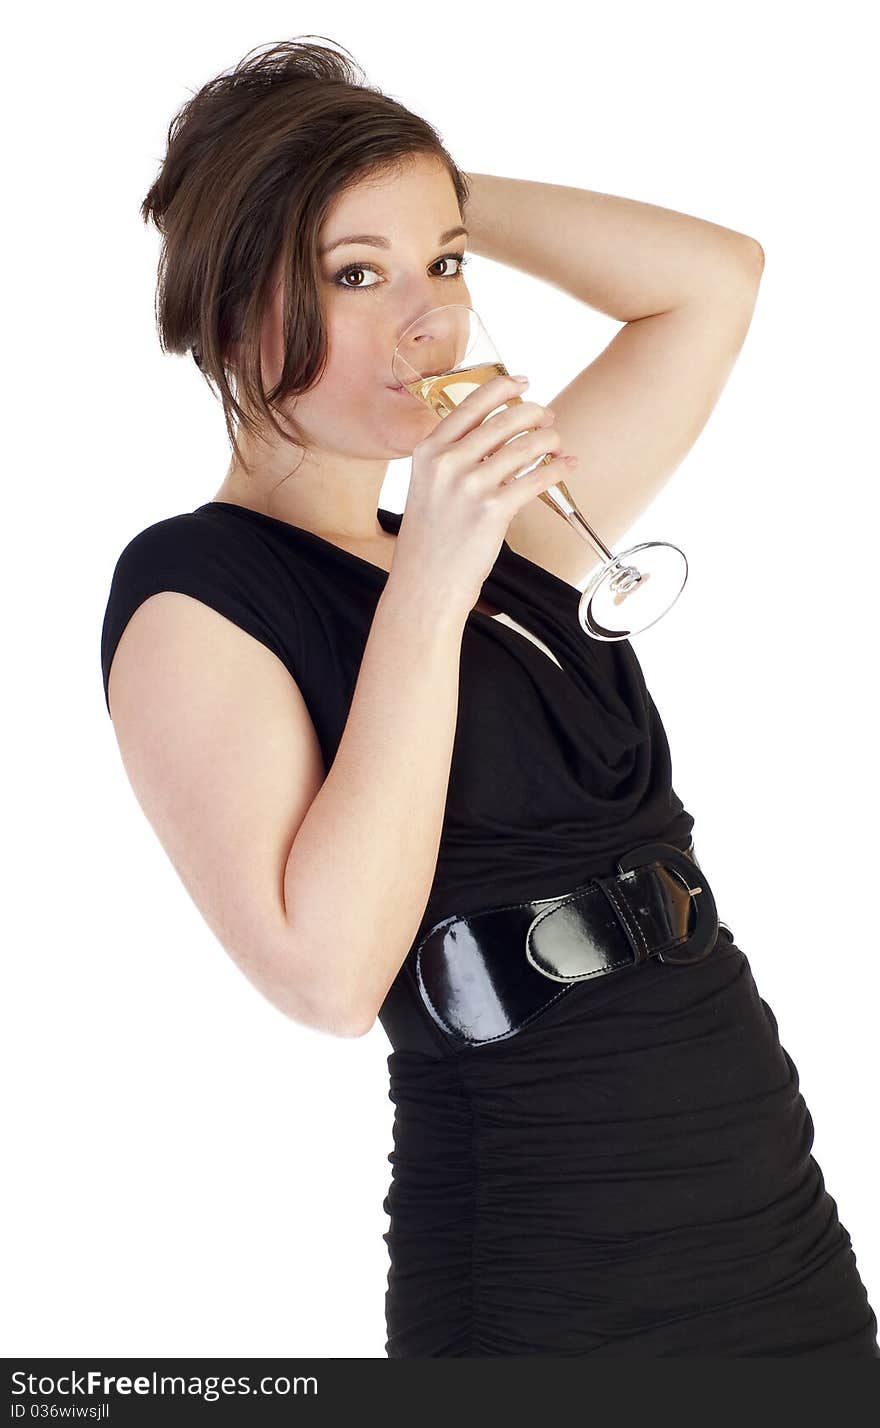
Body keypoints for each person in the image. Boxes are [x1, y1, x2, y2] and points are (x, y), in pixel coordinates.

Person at [100, 38, 879, 1357]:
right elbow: (329, 979)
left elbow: (713, 282)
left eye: (446, 268)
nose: (434, 321)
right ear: (238, 311)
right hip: (543, 1245)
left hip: (760, 1202)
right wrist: (433, 579)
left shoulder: (502, 540)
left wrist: (422, 189)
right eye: (357, 274)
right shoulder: (194, 592)